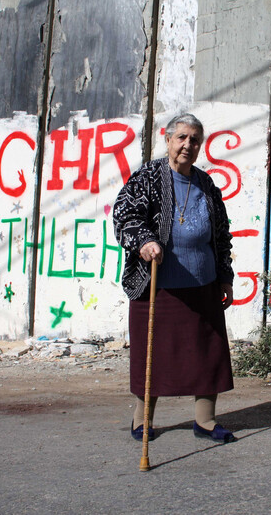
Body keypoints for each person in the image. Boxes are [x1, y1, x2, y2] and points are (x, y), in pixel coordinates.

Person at [112, 113, 237, 443]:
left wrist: (225, 276)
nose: (188, 145)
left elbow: (221, 235)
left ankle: (205, 421)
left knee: (208, 355)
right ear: (167, 140)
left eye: (194, 139)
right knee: (151, 356)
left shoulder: (207, 185)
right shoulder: (147, 178)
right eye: (181, 137)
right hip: (159, 286)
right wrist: (144, 241)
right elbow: (125, 215)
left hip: (204, 285)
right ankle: (143, 421)